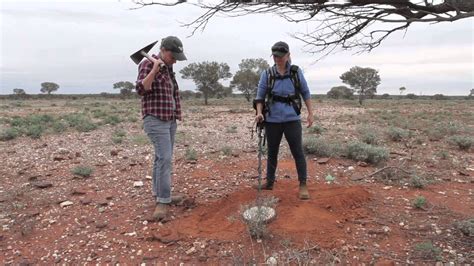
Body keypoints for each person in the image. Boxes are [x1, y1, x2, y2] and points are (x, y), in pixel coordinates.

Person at [135, 36, 187, 220]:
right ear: (164, 50)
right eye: (174, 56)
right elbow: (141, 89)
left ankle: (161, 195)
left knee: (161, 159)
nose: (175, 61)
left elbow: (173, 93)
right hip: (155, 119)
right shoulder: (148, 64)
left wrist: (177, 114)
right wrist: (155, 69)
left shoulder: (169, 69)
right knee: (165, 159)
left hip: (169, 119)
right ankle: (163, 202)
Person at [254, 41, 314, 200]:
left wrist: (310, 113)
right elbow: (259, 97)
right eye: (275, 56)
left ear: (288, 56)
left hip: (292, 119)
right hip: (272, 119)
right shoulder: (267, 74)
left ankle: (302, 184)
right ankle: (270, 182)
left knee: (297, 152)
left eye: (280, 56)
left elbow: (305, 92)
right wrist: (259, 113)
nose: (277, 59)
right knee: (272, 152)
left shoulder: (295, 72)